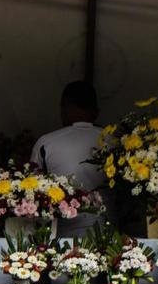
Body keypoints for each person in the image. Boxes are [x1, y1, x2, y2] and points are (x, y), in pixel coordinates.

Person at [28, 81, 104, 239]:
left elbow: (30, 190)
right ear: (96, 111)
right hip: (109, 232)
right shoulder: (114, 142)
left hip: (61, 235)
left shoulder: (46, 143)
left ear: (64, 107)